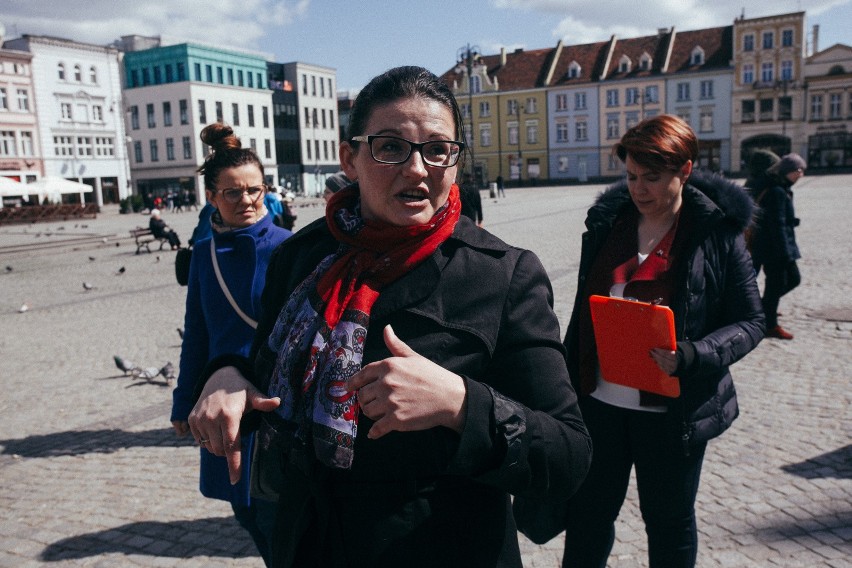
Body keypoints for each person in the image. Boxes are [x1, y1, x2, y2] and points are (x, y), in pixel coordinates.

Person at [188, 65, 592, 567]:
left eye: (437, 149)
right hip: (312, 543)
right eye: (390, 147)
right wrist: (227, 373)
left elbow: (568, 455)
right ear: (350, 160)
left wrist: (462, 404)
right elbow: (267, 370)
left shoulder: (503, 275)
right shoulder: (303, 257)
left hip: (443, 550)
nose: (417, 168)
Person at [561, 115, 765, 568]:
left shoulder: (715, 234)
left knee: (668, 522)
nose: (639, 188)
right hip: (601, 405)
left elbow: (751, 321)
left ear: (685, 171)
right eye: (631, 176)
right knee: (589, 514)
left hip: (674, 413)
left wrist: (693, 355)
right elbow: (582, 311)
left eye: (652, 177)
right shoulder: (606, 224)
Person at [170, 122, 293, 567]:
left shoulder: (290, 249)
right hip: (221, 402)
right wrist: (184, 400)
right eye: (233, 193)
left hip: (277, 403)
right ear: (211, 198)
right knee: (245, 512)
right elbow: (196, 331)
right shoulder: (204, 254)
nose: (246, 201)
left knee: (275, 512)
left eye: (254, 190)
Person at [748, 153, 806, 340]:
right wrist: (785, 254)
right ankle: (769, 323)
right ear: (787, 171)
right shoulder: (777, 192)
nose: (801, 174)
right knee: (782, 283)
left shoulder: (781, 189)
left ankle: (766, 310)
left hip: (773, 247)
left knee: (783, 283)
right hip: (775, 249)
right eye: (797, 170)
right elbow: (777, 224)